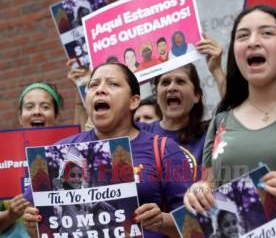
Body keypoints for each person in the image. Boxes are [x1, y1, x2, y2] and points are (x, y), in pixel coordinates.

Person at [23, 63, 193, 238]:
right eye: (93, 85)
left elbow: (195, 226)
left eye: (112, 84)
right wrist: (32, 225)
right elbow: (39, 222)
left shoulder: (163, 149)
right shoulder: (61, 152)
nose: (100, 90)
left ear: (134, 101)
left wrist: (162, 222)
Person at [183, 5, 276, 236]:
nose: (253, 42)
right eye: (242, 36)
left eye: (266, 33)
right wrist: (198, 192)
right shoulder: (221, 121)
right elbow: (210, 183)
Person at [138, 35, 225, 180]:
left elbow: (235, 112)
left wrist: (216, 70)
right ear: (156, 96)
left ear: (196, 95)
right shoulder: (140, 133)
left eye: (180, 81)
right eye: (165, 82)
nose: (171, 87)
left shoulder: (209, 133)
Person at [0, 83, 64, 236]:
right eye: (29, 107)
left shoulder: (72, 149)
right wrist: (10, 214)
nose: (37, 112)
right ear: (20, 117)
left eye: (45, 107)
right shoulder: (2, 155)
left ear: (56, 116)